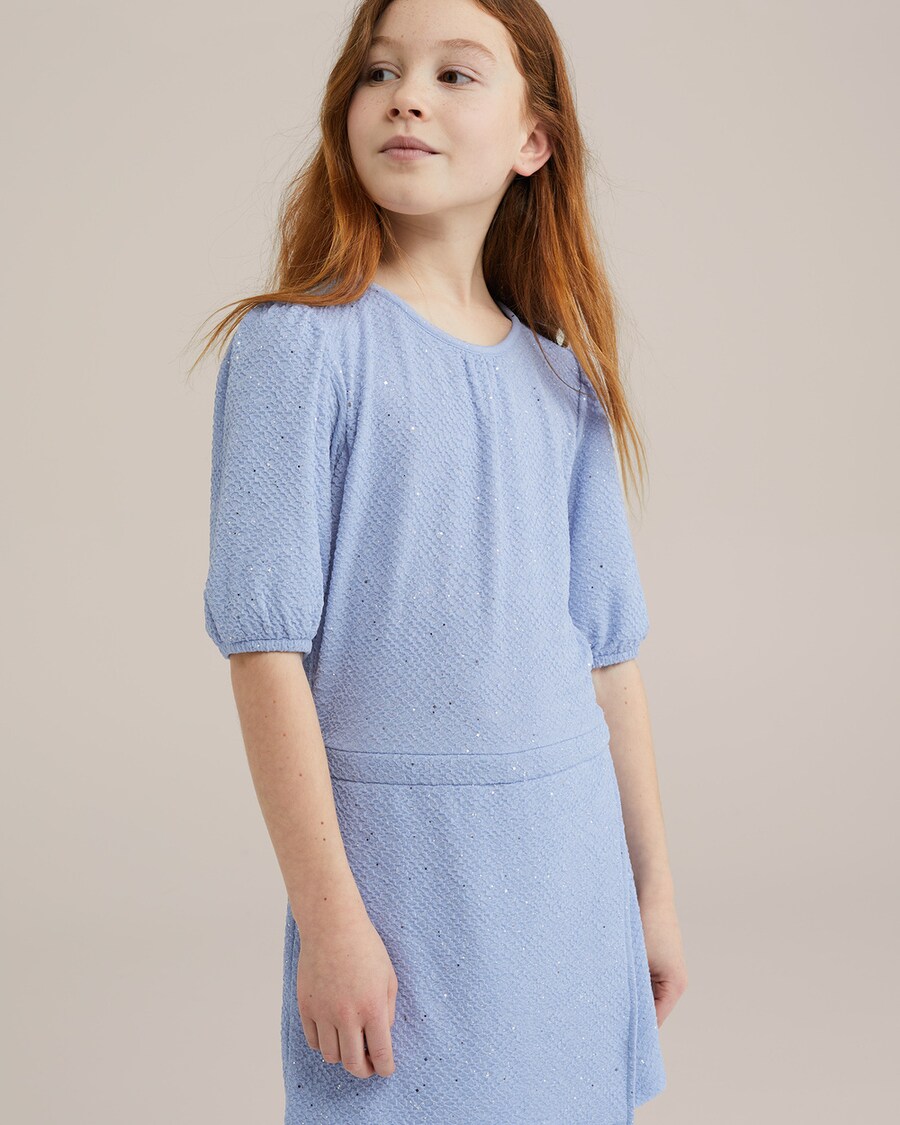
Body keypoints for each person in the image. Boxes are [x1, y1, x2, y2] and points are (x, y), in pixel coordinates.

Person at [196, 0, 687, 1121]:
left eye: (454, 75)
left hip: (566, 874)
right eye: (379, 72)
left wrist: (652, 894)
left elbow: (609, 660)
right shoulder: (298, 350)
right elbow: (265, 651)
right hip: (408, 880)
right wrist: (332, 923)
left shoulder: (563, 382)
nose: (405, 97)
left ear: (534, 140)